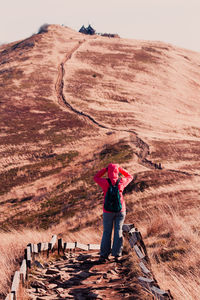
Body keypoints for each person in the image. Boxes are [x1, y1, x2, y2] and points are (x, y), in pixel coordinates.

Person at [94, 163, 133, 262]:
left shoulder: (105, 182)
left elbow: (96, 177)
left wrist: (105, 169)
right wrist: (121, 169)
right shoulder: (121, 181)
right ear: (117, 171)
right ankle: (117, 254)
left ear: (109, 172)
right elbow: (130, 176)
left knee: (107, 232)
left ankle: (104, 255)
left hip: (107, 211)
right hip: (120, 210)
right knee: (118, 231)